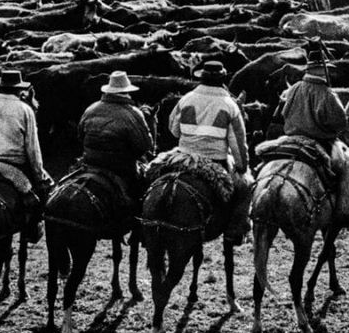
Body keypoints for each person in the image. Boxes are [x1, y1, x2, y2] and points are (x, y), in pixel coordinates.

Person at [170, 60, 252, 239]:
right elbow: (237, 143)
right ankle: (235, 231)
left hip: (182, 157)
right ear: (223, 79)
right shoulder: (230, 105)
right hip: (216, 159)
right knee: (245, 188)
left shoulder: (186, 99)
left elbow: (173, 130)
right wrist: (242, 167)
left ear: (202, 78)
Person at [0, 69, 53, 233]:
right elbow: (32, 148)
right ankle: (33, 228)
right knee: (44, 191)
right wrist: (39, 175)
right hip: (15, 165)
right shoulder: (25, 109)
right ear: (19, 89)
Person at [78, 71, 156, 195]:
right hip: (121, 167)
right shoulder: (133, 113)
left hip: (90, 161)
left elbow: (80, 136)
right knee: (143, 191)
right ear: (127, 92)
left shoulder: (90, 109)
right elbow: (144, 146)